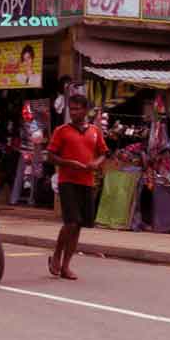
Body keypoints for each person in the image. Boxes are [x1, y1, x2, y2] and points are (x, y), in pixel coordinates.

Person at [47, 95, 108, 280]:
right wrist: (68, 163)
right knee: (71, 222)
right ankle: (57, 254)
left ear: (86, 110)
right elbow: (51, 156)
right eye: (71, 109)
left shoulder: (95, 131)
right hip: (67, 181)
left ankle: (66, 266)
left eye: (77, 109)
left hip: (87, 182)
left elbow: (103, 153)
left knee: (79, 226)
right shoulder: (61, 131)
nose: (73, 112)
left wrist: (96, 164)